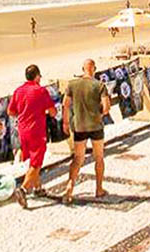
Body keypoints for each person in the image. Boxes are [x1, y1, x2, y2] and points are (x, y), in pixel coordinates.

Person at [61, 59, 111, 205]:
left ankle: (69, 188)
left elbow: (65, 105)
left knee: (78, 159)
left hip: (79, 127)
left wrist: (65, 122)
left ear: (82, 69)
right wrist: (98, 115)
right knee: (99, 157)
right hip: (96, 126)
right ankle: (99, 189)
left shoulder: (72, 84)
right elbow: (106, 107)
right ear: (94, 69)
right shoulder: (99, 85)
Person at [7, 64, 57, 206]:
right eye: (40, 76)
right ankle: (23, 189)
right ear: (36, 76)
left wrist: (24, 113)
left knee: (32, 160)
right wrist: (44, 112)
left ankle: (38, 188)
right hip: (36, 130)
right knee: (37, 162)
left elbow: (11, 112)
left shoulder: (18, 91)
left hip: (23, 130)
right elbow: (53, 112)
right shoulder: (40, 91)